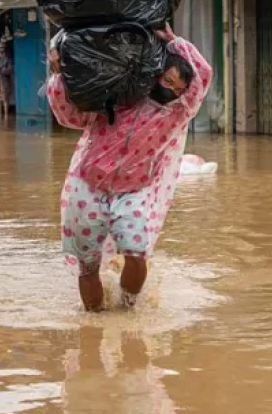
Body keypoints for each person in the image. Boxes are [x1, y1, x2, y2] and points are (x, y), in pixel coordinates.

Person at [46, 23, 211, 311]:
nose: (171, 90)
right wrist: (60, 75)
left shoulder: (176, 115)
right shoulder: (118, 100)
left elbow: (203, 75)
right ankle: (94, 322)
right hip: (88, 186)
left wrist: (175, 42)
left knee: (136, 252)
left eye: (178, 88)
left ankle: (127, 307)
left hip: (132, 191)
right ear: (154, 76)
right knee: (88, 266)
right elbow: (69, 116)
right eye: (167, 81)